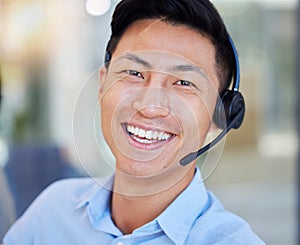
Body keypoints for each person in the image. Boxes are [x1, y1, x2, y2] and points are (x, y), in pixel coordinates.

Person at [3, 0, 265, 244]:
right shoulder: (52, 212)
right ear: (103, 83)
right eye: (134, 73)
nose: (150, 107)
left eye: (184, 83)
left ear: (220, 116)